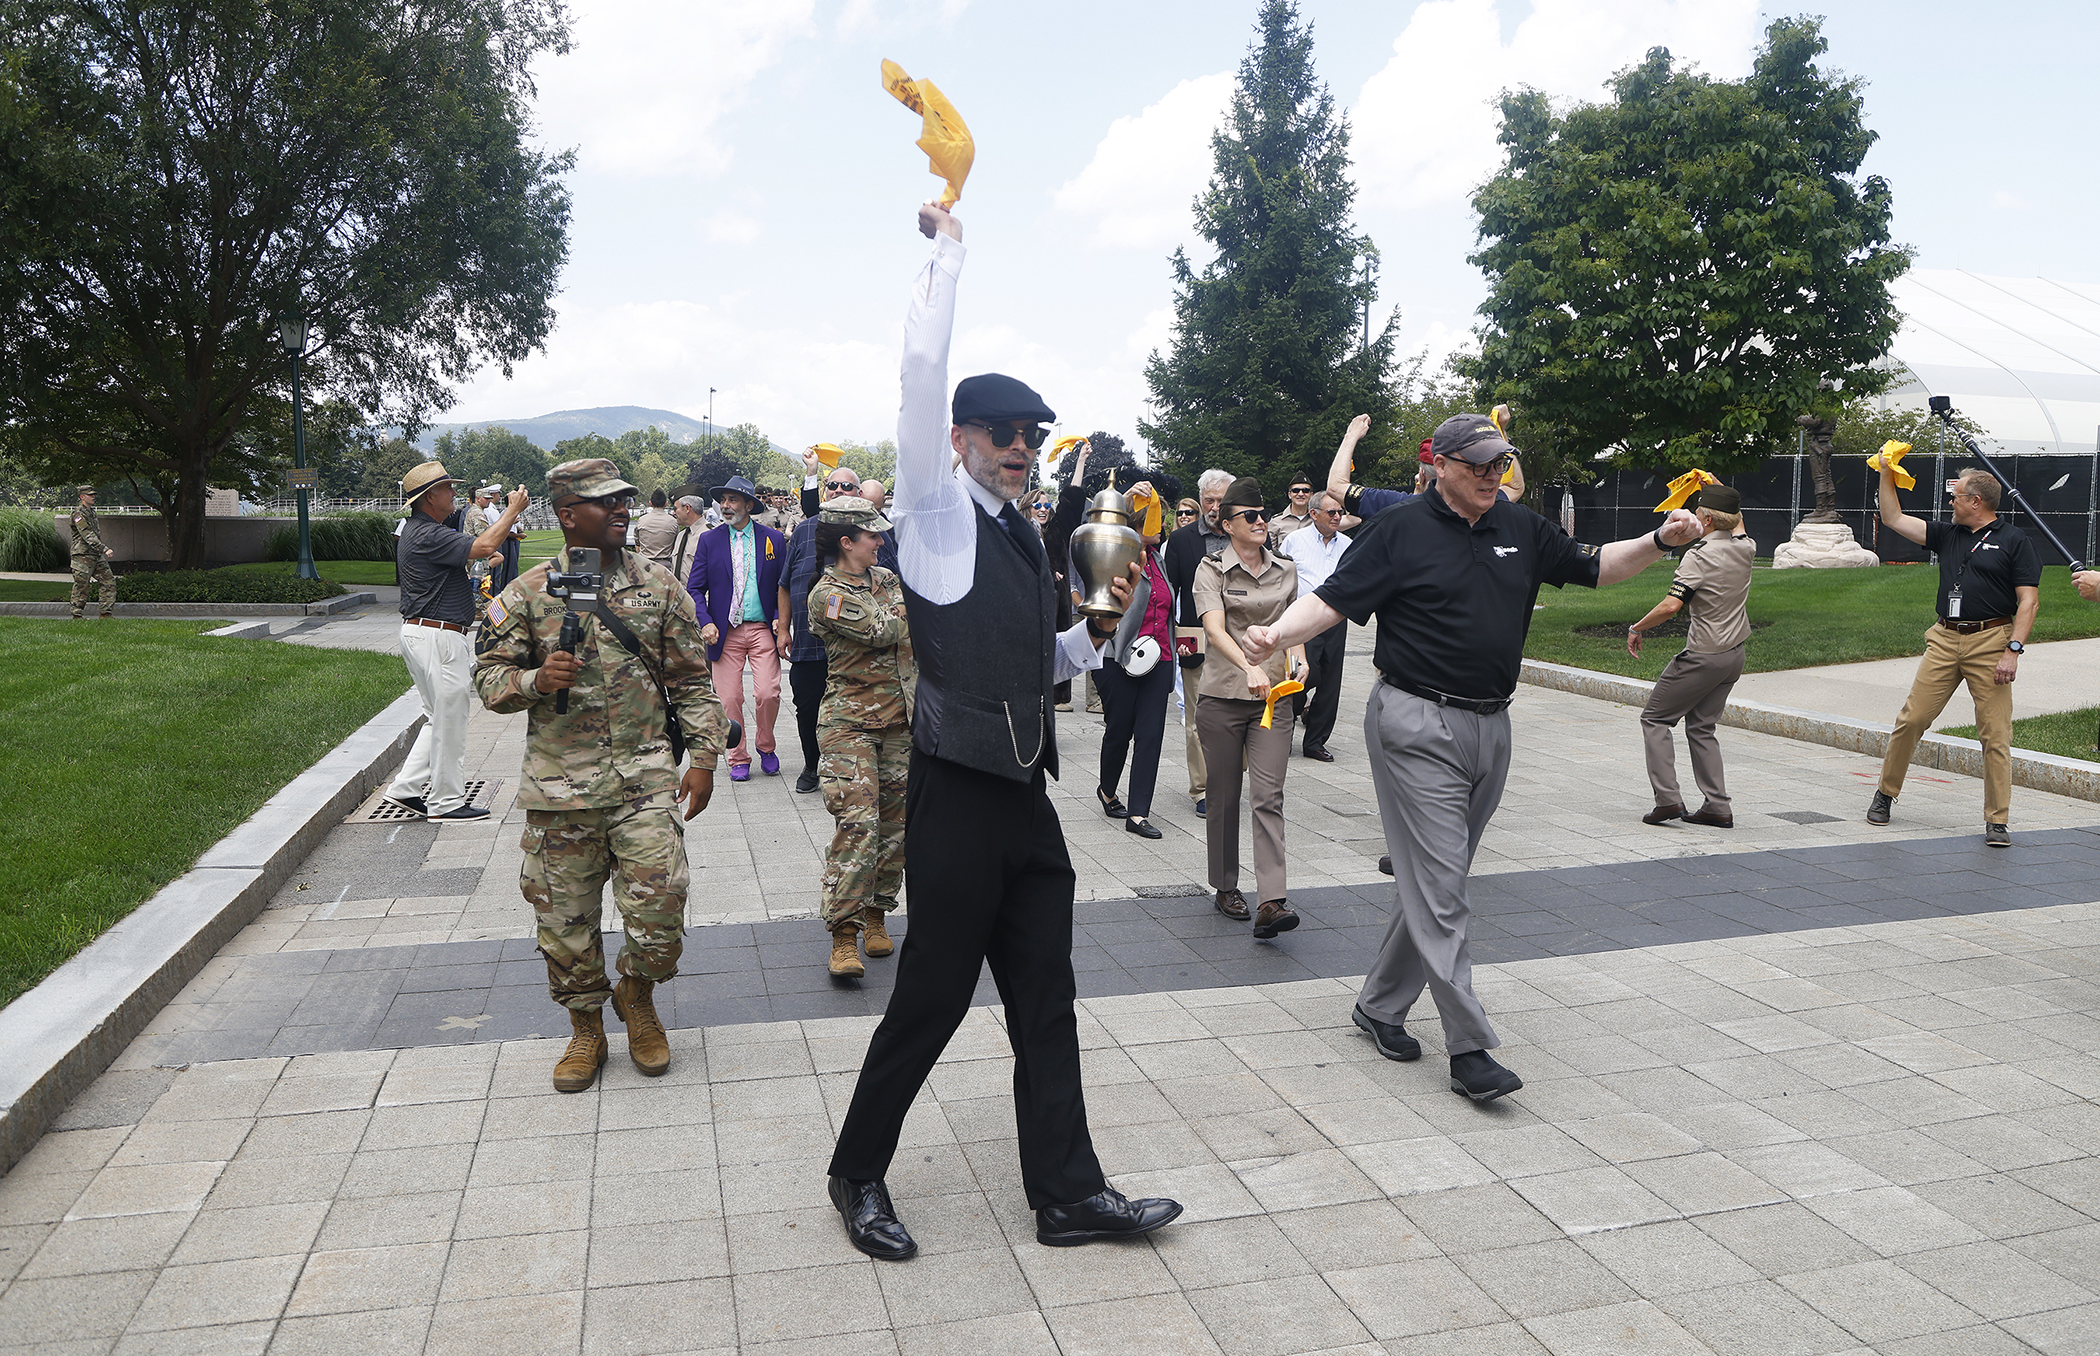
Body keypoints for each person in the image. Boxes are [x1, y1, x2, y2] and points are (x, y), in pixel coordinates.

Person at [826, 200, 1178, 1263]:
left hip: (1024, 798)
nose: (1021, 448)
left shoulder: (1027, 534)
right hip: (956, 795)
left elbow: (1046, 661)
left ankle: (1068, 1194)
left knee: (1047, 998)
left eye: (1032, 434)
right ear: (960, 443)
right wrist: (948, 252)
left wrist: (1109, 639)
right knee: (931, 1000)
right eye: (1002, 434)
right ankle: (856, 1171)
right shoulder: (934, 513)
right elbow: (920, 378)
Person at [1245, 413, 1702, 1102]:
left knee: (1437, 879)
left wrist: (1658, 539)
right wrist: (1275, 633)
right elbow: (1333, 601)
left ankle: (1377, 1005)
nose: (1494, 475)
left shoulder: (1519, 527)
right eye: (1481, 464)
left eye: (1501, 463)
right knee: (1445, 889)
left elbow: (1595, 567)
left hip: (1492, 724)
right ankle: (1470, 1049)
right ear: (1441, 466)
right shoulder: (1399, 530)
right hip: (1414, 721)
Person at [473, 457, 728, 1091]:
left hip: (644, 779)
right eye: (603, 502)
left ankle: (636, 995)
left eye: (624, 500)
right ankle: (585, 1027)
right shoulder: (530, 591)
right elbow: (485, 678)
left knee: (663, 907)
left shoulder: (660, 586)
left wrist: (702, 757)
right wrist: (534, 680)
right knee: (563, 923)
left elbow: (692, 680)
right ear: (566, 515)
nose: (621, 510)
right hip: (560, 789)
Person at [1868, 465, 2040, 846]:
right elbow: (1893, 517)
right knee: (1912, 719)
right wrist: (1884, 472)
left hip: (1991, 640)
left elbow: (2028, 601)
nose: (1950, 502)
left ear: (1975, 502)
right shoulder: (1948, 533)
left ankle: (1997, 821)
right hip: (1945, 638)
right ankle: (1885, 794)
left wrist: (2013, 650)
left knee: (1995, 735)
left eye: (1956, 496)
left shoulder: (2014, 540)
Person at [1194, 478, 1308, 939]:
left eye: (1264, 515)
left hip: (1272, 701)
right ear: (1228, 525)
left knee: (1269, 794)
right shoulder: (1211, 570)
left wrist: (1299, 660)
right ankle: (1225, 885)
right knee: (1222, 795)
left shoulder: (1285, 570)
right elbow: (1216, 632)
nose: (1262, 522)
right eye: (1251, 517)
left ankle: (1272, 901)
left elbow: (1295, 625)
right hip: (1223, 697)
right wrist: (1250, 667)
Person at [808, 496, 915, 977]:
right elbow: (882, 629)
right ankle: (843, 935)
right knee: (858, 825)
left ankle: (876, 915)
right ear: (847, 542)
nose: (881, 541)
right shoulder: (826, 595)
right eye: (872, 535)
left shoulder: (886, 579)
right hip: (848, 726)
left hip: (899, 724)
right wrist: (927, 611)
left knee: (896, 828)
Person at [386, 461, 529, 820]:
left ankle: (406, 789)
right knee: (449, 719)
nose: (454, 494)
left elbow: (476, 552)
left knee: (438, 716)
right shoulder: (428, 533)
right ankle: (446, 802)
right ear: (430, 496)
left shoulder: (421, 531)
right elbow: (483, 546)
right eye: (448, 488)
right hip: (437, 634)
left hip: (425, 632)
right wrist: (512, 510)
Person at [1628, 485, 1754, 829]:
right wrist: (1720, 490)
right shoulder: (1746, 547)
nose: (1697, 520)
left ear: (1709, 519)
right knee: (1701, 727)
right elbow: (1738, 523)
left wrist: (1637, 627)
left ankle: (1668, 800)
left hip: (1703, 655)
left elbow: (1671, 606)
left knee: (1655, 720)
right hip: (1734, 656)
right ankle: (1717, 806)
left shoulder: (1699, 556)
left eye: (1700, 515)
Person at [1093, 471, 1178, 840]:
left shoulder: (1160, 560)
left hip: (1158, 660)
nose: (1162, 527)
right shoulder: (1118, 555)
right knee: (1119, 732)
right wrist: (1124, 500)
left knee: (1151, 735)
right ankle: (1108, 789)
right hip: (1120, 659)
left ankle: (1139, 812)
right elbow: (1090, 529)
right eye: (1155, 520)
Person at [689, 474, 791, 781]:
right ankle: (737, 756)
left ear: (749, 504)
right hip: (724, 632)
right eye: (723, 500)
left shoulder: (772, 539)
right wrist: (705, 622)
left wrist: (778, 615)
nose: (725, 505)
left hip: (762, 629)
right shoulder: (710, 540)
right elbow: (694, 589)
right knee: (729, 698)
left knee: (768, 692)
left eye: (732, 500)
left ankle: (767, 745)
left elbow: (781, 586)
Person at [785, 465, 880, 794]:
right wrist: (783, 628)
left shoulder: (872, 535)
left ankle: (852, 769)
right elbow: (785, 583)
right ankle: (812, 765)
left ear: (858, 495)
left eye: (846, 486)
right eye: (832, 485)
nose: (838, 490)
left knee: (856, 708)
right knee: (807, 705)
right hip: (808, 645)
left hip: (857, 645)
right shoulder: (803, 531)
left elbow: (890, 579)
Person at [1162, 469, 1233, 818]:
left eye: (1222, 500)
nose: (1215, 507)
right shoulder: (1181, 540)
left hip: (1240, 640)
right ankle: (1202, 789)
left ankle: (1229, 777)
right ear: (1201, 499)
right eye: (1209, 500)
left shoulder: (1248, 535)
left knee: (1240, 715)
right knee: (1197, 717)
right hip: (1197, 637)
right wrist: (1173, 637)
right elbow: (1168, 594)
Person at [1280, 491, 1352, 762]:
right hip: (1303, 617)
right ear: (1313, 514)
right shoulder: (1294, 541)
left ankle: (1316, 741)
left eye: (1340, 512)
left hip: (1335, 618)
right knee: (1301, 675)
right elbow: (1282, 577)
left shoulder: (1347, 544)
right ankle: (1283, 730)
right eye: (1331, 512)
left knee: (1331, 682)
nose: (1337, 517)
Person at [68, 486, 117, 620]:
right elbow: (87, 534)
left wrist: (99, 550)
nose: (93, 497)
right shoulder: (78, 514)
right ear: (82, 497)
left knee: (108, 581)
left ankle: (105, 613)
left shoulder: (92, 512)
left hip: (95, 554)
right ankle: (77, 615)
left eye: (94, 494)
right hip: (82, 555)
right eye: (90, 495)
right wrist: (104, 549)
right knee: (82, 585)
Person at [632, 488, 679, 566]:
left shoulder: (642, 520)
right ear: (666, 504)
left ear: (650, 503)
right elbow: (675, 544)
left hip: (644, 564)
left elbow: (637, 544)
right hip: (665, 565)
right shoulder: (673, 522)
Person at [669, 494, 705, 596]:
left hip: (698, 602)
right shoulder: (681, 535)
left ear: (687, 508)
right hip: (678, 600)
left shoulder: (709, 535)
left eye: (676, 509)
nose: (674, 513)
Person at [1270, 476, 1317, 542]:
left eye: (1305, 491)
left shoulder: (1318, 520)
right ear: (1289, 495)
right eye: (1296, 491)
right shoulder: (1275, 522)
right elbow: (1270, 551)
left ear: (1311, 495)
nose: (1300, 494)